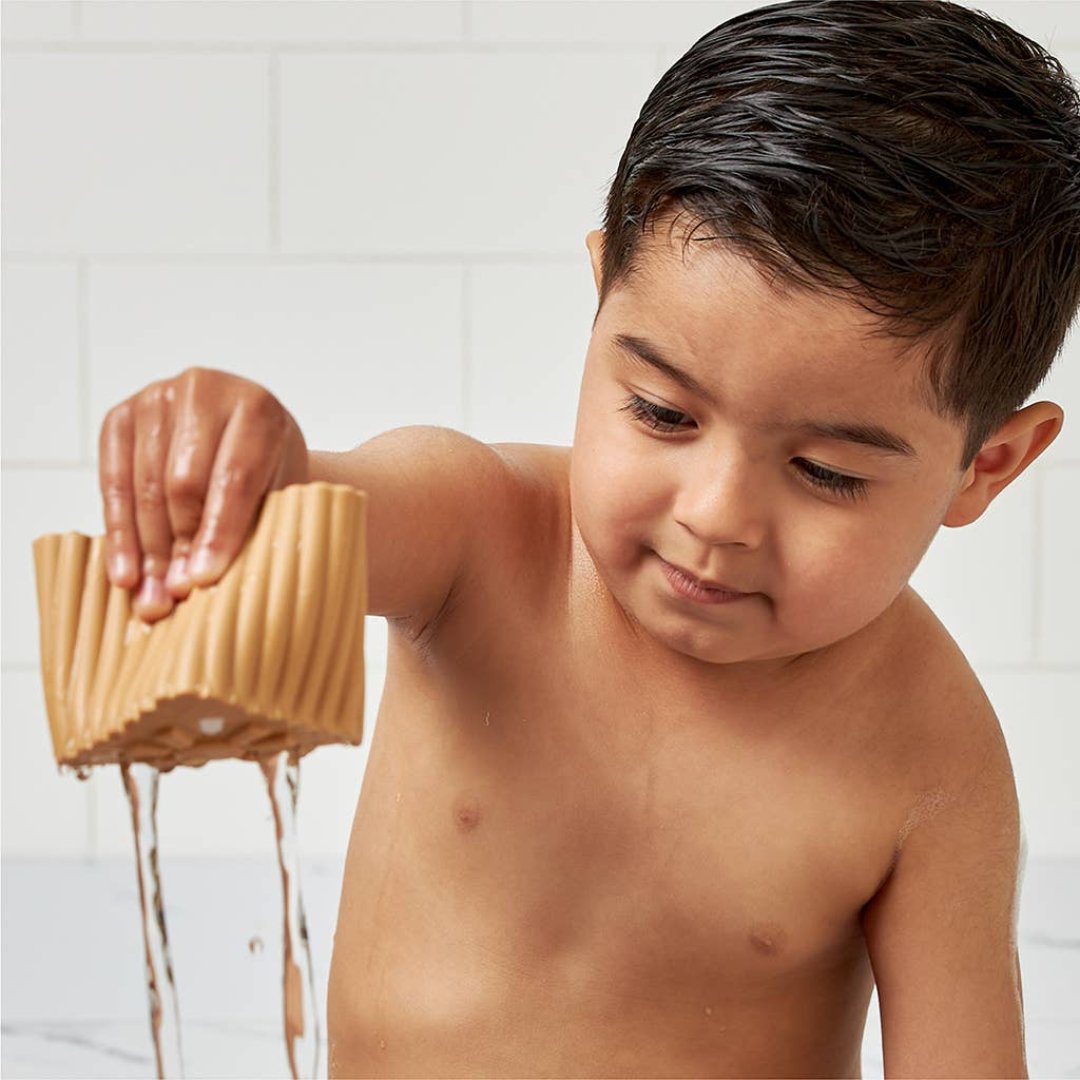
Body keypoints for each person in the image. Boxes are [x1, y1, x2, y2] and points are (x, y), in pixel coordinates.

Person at [97, 0, 1079, 1074]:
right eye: (662, 412)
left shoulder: (928, 754)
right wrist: (242, 453)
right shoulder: (479, 536)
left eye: (826, 473)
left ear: (987, 464)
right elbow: (306, 517)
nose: (713, 516)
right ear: (602, 291)